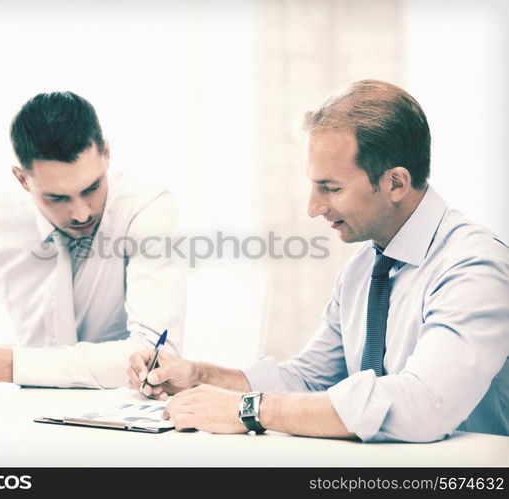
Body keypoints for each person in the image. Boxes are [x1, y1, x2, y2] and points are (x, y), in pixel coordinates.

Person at [128, 80, 509, 443]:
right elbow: (309, 380)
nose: (314, 207)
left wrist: (249, 410)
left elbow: (423, 405)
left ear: (395, 183)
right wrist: (199, 376)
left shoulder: (474, 267)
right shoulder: (363, 268)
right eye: (314, 185)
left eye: (331, 188)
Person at [0, 91, 186, 388]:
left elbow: (156, 358)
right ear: (22, 179)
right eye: (57, 198)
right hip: (24, 416)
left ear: (107, 154)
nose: (81, 213)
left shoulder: (146, 208)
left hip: (125, 417)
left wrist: (4, 365)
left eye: (91, 187)